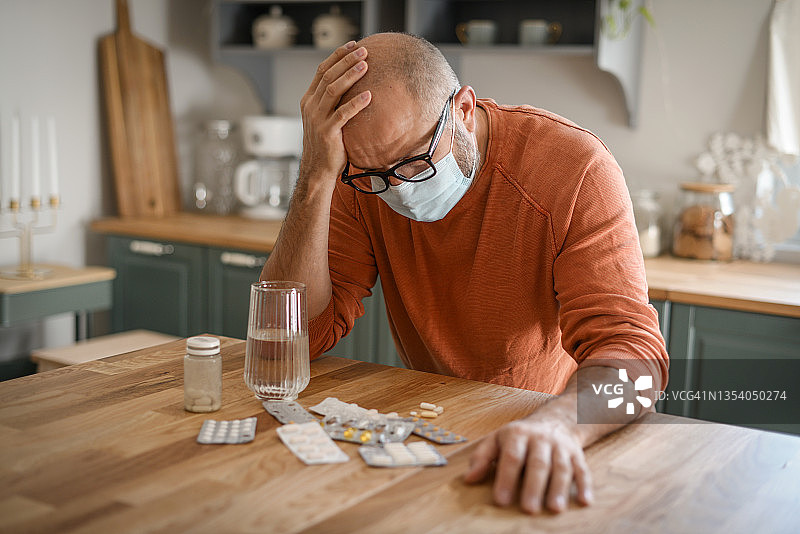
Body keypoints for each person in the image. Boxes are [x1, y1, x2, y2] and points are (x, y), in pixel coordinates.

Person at [261, 32, 669, 514]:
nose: (398, 191)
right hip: (443, 431)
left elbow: (638, 363)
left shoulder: (574, 169)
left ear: (464, 109)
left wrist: (557, 425)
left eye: (414, 163)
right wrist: (316, 176)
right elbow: (287, 342)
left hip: (566, 431)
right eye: (373, 176)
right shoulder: (360, 178)